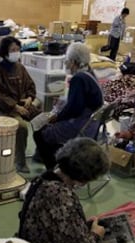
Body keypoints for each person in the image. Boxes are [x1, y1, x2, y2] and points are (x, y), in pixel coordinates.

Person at [33, 42, 103, 170]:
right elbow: (79, 102)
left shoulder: (79, 79)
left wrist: (57, 117)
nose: (66, 63)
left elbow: (74, 109)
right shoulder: (89, 72)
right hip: (92, 125)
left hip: (81, 126)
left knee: (40, 133)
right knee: (48, 124)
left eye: (67, 60)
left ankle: (54, 167)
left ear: (73, 61)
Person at [0, 36, 40, 173]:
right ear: (5, 52)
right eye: (13, 50)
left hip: (24, 105)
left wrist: (30, 98)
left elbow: (30, 85)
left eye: (18, 49)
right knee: (22, 127)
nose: (16, 52)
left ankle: (40, 153)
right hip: (7, 109)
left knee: (44, 121)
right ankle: (20, 162)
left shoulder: (20, 67)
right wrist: (15, 107)